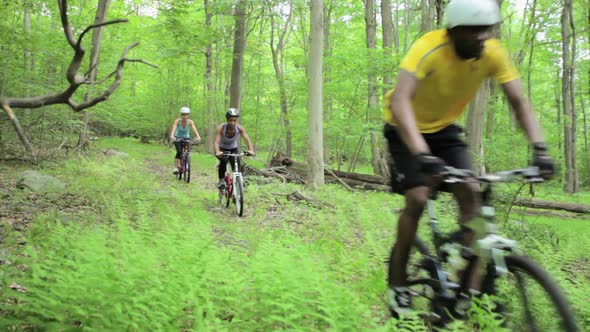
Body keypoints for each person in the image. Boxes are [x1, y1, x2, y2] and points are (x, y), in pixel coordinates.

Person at [382, 0, 555, 317]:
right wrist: (421, 154)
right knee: (418, 198)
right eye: (474, 31)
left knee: (472, 194)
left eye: (487, 30)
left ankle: (467, 291)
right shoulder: (428, 47)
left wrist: (540, 148)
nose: (482, 37)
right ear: (453, 32)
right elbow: (401, 102)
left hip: (445, 130)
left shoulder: (493, 52)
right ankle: (397, 285)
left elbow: (518, 101)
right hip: (404, 128)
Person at [214, 108, 256, 189]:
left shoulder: (240, 128)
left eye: (234, 120)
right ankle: (221, 180)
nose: (232, 122)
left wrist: (251, 150)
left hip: (233, 148)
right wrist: (217, 151)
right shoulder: (221, 128)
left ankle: (237, 187)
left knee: (237, 167)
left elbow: (247, 139)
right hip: (221, 148)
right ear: (227, 120)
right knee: (224, 160)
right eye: (230, 120)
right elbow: (216, 142)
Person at [170, 107, 201, 174]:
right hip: (177, 138)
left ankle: (186, 164)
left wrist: (198, 136)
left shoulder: (190, 122)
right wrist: (172, 136)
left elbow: (194, 129)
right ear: (181, 115)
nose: (185, 116)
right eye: (183, 114)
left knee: (187, 152)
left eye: (186, 114)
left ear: (188, 115)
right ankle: (175, 167)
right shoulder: (177, 121)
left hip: (186, 138)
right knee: (179, 151)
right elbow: (174, 128)